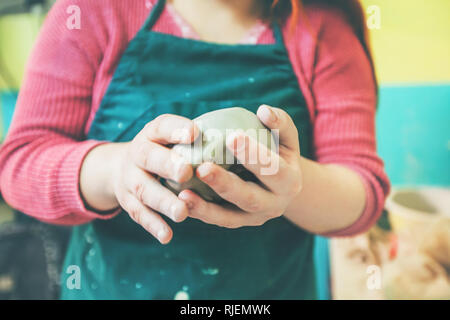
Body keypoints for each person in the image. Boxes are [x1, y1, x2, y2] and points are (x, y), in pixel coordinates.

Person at [0, 0, 390, 299]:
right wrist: (116, 170)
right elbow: (20, 163)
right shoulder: (91, 12)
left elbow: (362, 194)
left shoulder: (323, 29)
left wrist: (294, 184)